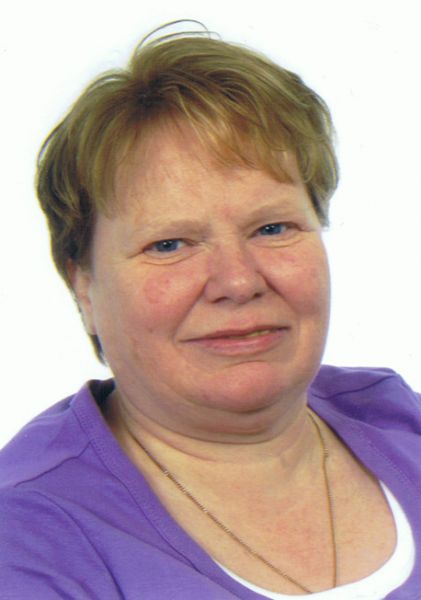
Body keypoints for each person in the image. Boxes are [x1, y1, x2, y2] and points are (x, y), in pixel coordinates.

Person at [1, 23, 420, 600]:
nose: (239, 281)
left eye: (273, 228)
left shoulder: (400, 419)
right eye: (169, 244)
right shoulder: (26, 539)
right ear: (84, 288)